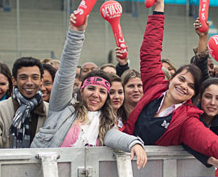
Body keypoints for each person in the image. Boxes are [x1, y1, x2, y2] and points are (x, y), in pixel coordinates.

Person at [122, 0, 218, 175]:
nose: (183, 86)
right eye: (182, 79)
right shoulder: (154, 87)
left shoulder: (187, 119)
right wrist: (159, 9)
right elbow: (149, 52)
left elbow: (211, 142)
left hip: (150, 175)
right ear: (172, 78)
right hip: (117, 162)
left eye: (191, 86)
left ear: (194, 94)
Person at [30, 13, 146, 166]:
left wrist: (135, 144)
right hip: (47, 175)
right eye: (91, 88)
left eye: (102, 92)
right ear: (81, 90)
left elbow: (114, 137)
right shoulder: (62, 108)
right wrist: (76, 34)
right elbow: (66, 71)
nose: (96, 95)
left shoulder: (105, 122)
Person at [0, 57, 48, 148]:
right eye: (23, 77)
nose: (29, 82)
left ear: (41, 80)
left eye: (34, 77)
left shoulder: (50, 112)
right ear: (14, 81)